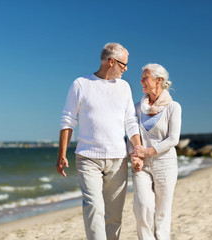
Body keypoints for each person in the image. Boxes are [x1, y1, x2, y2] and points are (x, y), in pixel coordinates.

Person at [56, 43, 142, 240]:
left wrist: (137, 149)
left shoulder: (124, 87)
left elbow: (131, 121)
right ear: (111, 62)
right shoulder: (81, 84)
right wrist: (61, 154)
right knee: (94, 208)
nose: (126, 69)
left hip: (118, 160)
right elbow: (68, 120)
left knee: (114, 216)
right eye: (123, 64)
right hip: (88, 158)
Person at [131, 63, 182, 239]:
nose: (141, 81)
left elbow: (173, 139)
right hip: (141, 165)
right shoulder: (137, 108)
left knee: (162, 212)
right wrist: (135, 156)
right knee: (143, 205)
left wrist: (148, 151)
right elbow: (132, 133)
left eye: (145, 78)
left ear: (158, 80)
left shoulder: (173, 107)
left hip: (165, 164)